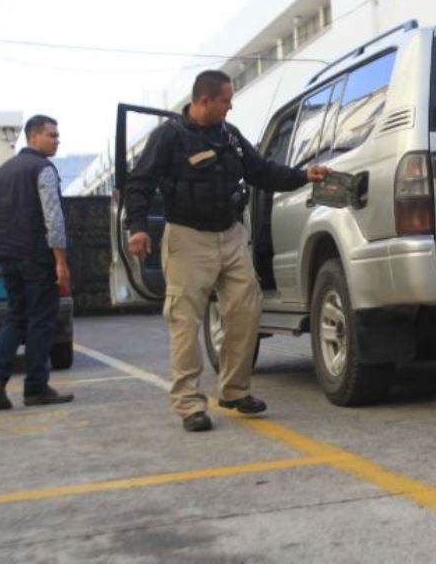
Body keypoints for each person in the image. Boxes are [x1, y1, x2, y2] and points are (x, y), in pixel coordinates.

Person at [125, 70, 329, 432]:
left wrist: (302, 175)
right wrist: (138, 227)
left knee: (245, 310)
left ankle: (235, 391)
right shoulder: (170, 137)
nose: (230, 106)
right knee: (184, 321)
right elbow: (139, 182)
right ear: (203, 100)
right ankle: (189, 405)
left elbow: (261, 171)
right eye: (225, 100)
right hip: (188, 238)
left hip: (232, 235)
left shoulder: (229, 136)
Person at [0, 115, 74, 410]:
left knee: (15, 316)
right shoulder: (43, 168)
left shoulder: (4, 170)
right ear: (33, 137)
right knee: (41, 321)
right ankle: (35, 388)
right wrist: (60, 261)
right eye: (52, 135)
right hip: (35, 255)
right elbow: (53, 217)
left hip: (8, 254)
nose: (57, 140)